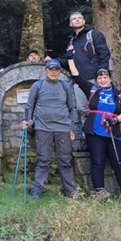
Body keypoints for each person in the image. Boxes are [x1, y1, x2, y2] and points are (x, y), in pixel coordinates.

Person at [67, 54, 121, 200]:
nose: (102, 80)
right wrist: (71, 58)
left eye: (105, 77)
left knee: (118, 162)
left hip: (114, 131)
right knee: (97, 162)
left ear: (110, 79)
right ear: (97, 80)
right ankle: (99, 193)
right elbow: (77, 77)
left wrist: (117, 120)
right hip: (95, 131)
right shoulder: (92, 89)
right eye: (100, 78)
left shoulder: (119, 94)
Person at [21, 60, 77, 199]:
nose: (53, 72)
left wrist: (71, 127)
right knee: (43, 160)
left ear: (59, 71)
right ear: (46, 70)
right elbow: (29, 106)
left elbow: (72, 108)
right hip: (43, 128)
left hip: (62, 128)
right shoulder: (38, 85)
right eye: (51, 69)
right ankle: (37, 190)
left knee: (65, 160)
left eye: (56, 70)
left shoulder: (65, 86)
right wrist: (26, 120)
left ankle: (70, 191)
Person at [57, 11, 112, 81]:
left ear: (84, 21)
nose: (77, 20)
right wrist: (54, 60)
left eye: (80, 18)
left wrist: (101, 72)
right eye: (74, 19)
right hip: (78, 79)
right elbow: (68, 60)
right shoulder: (71, 41)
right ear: (70, 24)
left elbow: (104, 53)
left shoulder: (94, 34)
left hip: (95, 78)